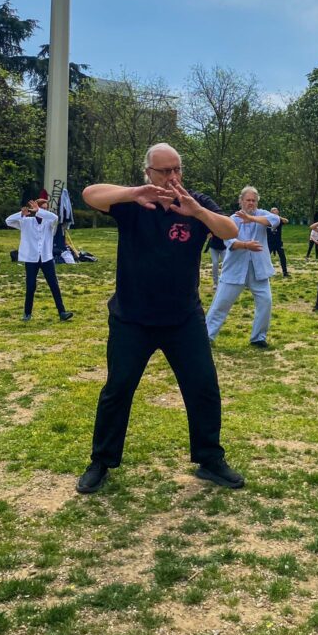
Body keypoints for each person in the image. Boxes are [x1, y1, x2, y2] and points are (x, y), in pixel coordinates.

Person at [76, 143, 242, 494]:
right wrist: (135, 193)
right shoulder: (133, 204)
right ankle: (101, 461)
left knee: (203, 388)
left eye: (176, 169)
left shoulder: (195, 202)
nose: (172, 177)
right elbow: (90, 194)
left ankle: (210, 458)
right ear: (148, 172)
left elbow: (230, 231)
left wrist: (197, 212)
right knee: (117, 390)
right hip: (131, 318)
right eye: (164, 171)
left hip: (182, 318)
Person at [206, 187, 279, 350]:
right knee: (221, 303)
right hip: (235, 269)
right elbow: (229, 242)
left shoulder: (262, 214)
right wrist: (246, 245)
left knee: (266, 302)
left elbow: (276, 220)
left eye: (254, 200)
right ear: (241, 201)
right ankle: (206, 336)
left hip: (258, 269)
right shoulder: (232, 219)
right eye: (248, 200)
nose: (251, 203)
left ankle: (258, 338)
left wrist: (252, 219)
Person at [5, 199, 73, 322]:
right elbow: (8, 221)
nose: (44, 210)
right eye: (42, 208)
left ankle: (62, 312)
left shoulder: (49, 222)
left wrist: (40, 211)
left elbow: (55, 217)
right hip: (31, 258)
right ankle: (27, 313)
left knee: (54, 285)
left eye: (46, 208)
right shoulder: (26, 221)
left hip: (46, 257)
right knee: (30, 286)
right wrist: (21, 214)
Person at [267, 207, 290, 277]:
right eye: (273, 211)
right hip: (269, 242)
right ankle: (267, 272)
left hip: (278, 242)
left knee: (282, 257)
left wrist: (277, 217)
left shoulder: (279, 220)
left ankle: (285, 272)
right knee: (266, 257)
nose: (275, 212)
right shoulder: (267, 220)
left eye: (276, 211)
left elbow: (287, 221)